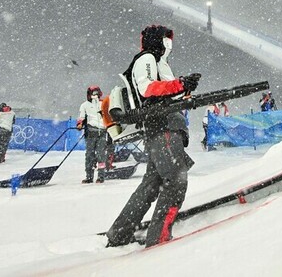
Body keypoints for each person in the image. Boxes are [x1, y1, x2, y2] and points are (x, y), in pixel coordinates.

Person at [106, 25, 200, 248]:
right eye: (166, 39)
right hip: (162, 127)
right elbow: (147, 89)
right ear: (156, 40)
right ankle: (158, 238)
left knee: (151, 185)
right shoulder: (147, 57)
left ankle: (120, 233)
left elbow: (165, 91)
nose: (169, 44)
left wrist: (184, 88)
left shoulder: (159, 62)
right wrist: (179, 84)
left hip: (161, 127)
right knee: (176, 181)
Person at [77, 85, 108, 183]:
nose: (95, 96)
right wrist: (80, 124)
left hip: (102, 132)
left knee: (101, 155)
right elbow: (81, 117)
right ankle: (89, 176)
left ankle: (101, 176)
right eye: (93, 94)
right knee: (89, 155)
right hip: (91, 132)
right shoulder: (84, 105)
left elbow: (108, 115)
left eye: (96, 94)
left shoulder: (103, 103)